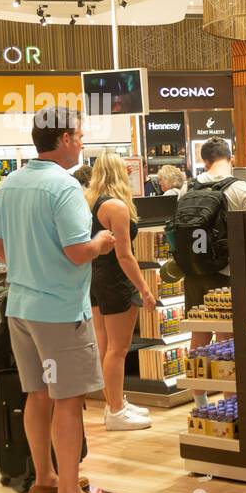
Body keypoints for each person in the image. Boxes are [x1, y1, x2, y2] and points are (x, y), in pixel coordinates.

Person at [0, 107, 123, 493]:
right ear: (64, 139)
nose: (82, 143)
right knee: (68, 399)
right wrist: (103, 242)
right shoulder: (64, 188)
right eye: (79, 136)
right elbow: (76, 251)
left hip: (21, 308)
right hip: (61, 311)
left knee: (38, 393)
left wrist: (30, 264)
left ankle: (45, 479)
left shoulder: (9, 184)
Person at [178, 138, 246, 403]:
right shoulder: (242, 190)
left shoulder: (185, 188)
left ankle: (200, 404)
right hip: (227, 274)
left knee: (199, 334)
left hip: (193, 272)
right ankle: (231, 406)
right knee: (227, 338)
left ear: (204, 160)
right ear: (231, 157)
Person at [85, 151, 157, 432]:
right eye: (126, 168)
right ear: (118, 172)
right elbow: (125, 255)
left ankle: (113, 403)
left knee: (105, 346)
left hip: (95, 277)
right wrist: (145, 289)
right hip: (116, 280)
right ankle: (116, 410)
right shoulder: (116, 206)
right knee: (118, 349)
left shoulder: (89, 202)